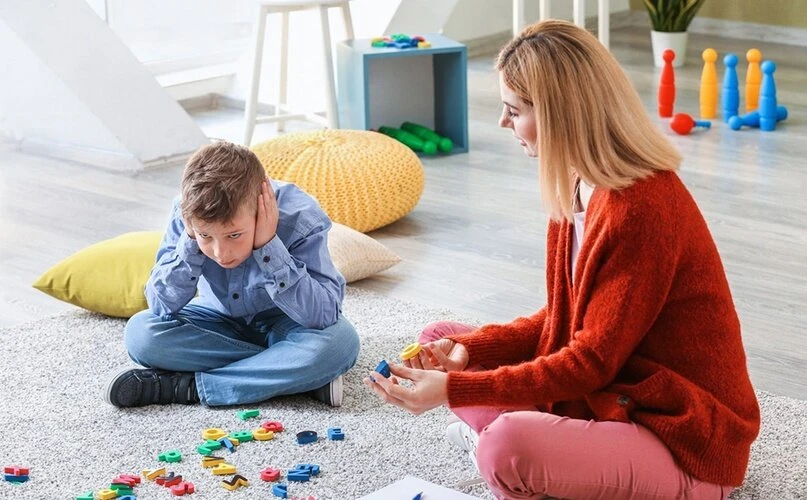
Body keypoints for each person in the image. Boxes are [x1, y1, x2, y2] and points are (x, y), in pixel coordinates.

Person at [365, 20, 760, 500]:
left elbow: (589, 361)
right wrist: (471, 350)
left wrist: (453, 391)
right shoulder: (579, 182)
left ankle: (509, 453)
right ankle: (536, 453)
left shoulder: (641, 208)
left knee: (506, 446)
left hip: (681, 437)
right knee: (441, 340)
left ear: (559, 115)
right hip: (614, 394)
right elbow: (565, 319)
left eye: (514, 110)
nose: (503, 123)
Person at [106, 141, 360, 408]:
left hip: (289, 322)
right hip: (219, 321)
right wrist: (191, 240)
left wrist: (268, 246)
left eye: (234, 235)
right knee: (141, 334)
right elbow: (160, 305)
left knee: (339, 344)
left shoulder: (301, 217)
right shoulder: (187, 211)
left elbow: (323, 314)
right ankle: (293, 374)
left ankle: (188, 387)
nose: (220, 252)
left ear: (258, 211)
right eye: (206, 236)